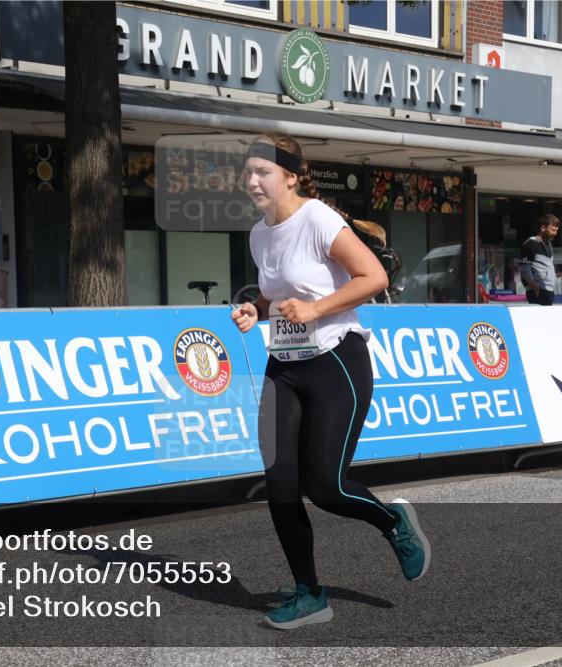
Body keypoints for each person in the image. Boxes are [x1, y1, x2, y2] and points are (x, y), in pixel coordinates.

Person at [230, 134, 430, 631]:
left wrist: (316, 309)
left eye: (263, 171)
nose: (252, 180)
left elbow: (373, 277)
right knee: (280, 485)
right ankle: (309, 595)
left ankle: (393, 523)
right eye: (248, 171)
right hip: (284, 366)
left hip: (336, 361)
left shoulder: (318, 218)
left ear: (290, 176)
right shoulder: (258, 234)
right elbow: (280, 295)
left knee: (326, 486)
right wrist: (255, 308)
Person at [519, 213, 560, 305]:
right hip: (537, 292)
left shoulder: (548, 245)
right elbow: (525, 269)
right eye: (553, 230)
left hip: (548, 291)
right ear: (543, 228)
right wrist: (535, 288)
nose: (555, 233)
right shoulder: (530, 245)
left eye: (556, 230)